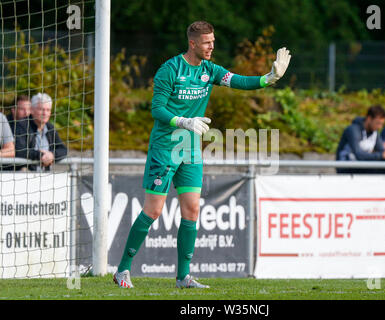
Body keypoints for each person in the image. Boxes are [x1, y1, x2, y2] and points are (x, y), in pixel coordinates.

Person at [113, 21, 291, 289]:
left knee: (192, 210)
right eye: (207, 42)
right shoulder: (169, 69)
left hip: (191, 149)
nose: (212, 47)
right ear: (193, 43)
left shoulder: (211, 70)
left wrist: (269, 78)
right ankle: (122, 270)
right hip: (165, 148)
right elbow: (157, 110)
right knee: (153, 210)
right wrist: (183, 121)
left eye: (213, 41)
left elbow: (239, 81)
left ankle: (183, 277)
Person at [336, 105, 385, 174]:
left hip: (362, 165)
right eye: (378, 123)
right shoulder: (353, 130)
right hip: (346, 167)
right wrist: (382, 155)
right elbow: (359, 155)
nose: (380, 127)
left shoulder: (375, 132)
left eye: (382, 124)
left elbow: (382, 152)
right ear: (369, 118)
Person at [14, 93, 67, 171]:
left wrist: (52, 155)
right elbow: (19, 151)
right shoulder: (21, 125)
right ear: (32, 110)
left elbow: (63, 149)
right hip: (24, 176)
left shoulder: (50, 128)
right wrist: (40, 155)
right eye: (41, 109)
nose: (45, 113)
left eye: (48, 110)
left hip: (46, 176)